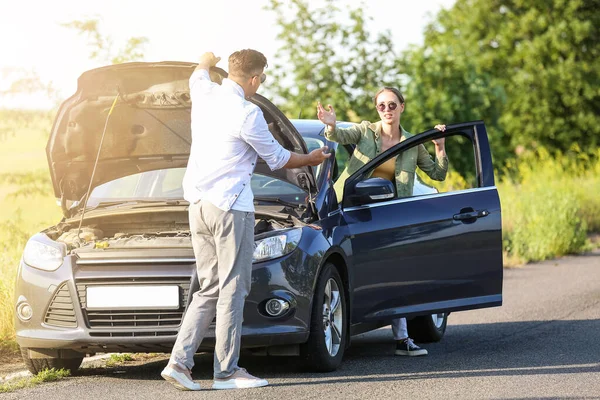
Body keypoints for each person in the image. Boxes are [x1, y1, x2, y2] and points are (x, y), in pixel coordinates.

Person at [161, 50, 331, 391]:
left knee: (208, 287)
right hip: (231, 207)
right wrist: (311, 157)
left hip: (197, 205)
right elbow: (278, 157)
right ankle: (226, 372)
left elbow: (198, 74)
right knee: (234, 287)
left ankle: (179, 363)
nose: (261, 83)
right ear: (254, 78)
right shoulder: (246, 113)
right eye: (262, 78)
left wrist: (207, 59)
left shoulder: (204, 93)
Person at [316, 86, 448, 357]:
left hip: (389, 215)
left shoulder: (412, 144)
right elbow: (341, 134)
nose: (386, 110)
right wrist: (330, 127)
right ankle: (352, 322)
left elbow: (438, 174)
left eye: (391, 105)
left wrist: (440, 147)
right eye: (381, 106)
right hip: (352, 209)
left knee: (397, 272)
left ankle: (402, 340)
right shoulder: (365, 131)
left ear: (402, 106)